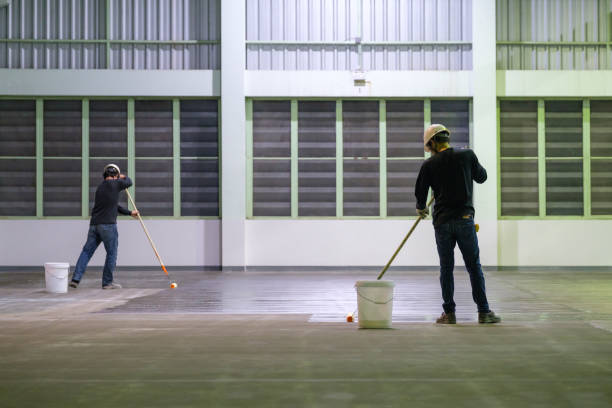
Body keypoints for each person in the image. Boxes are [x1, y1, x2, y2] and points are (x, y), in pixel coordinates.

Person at [415, 124, 501, 324]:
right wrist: (465, 170)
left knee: (446, 268)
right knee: (474, 266)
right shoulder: (467, 155)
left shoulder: (429, 165)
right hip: (464, 220)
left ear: (433, 143)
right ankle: (484, 312)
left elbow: (420, 195)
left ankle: (449, 314)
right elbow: (482, 177)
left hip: (442, 222)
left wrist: (422, 208)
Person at [70, 164, 138, 289]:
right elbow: (129, 181)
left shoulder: (100, 188)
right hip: (108, 226)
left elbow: (114, 206)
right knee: (112, 253)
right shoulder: (116, 184)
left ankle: (75, 279)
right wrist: (121, 176)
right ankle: (107, 282)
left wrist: (130, 213)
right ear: (114, 175)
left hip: (94, 225)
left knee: (86, 251)